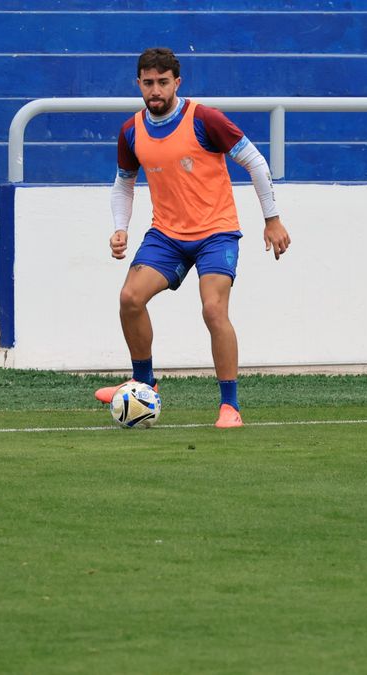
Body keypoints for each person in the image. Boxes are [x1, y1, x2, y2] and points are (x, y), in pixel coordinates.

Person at [93, 47, 290, 428]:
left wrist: (273, 219)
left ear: (176, 83)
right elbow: (123, 184)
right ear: (138, 83)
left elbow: (255, 161)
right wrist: (121, 227)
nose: (155, 90)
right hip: (167, 235)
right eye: (148, 82)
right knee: (130, 298)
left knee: (213, 310)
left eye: (162, 82)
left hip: (216, 232)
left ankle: (229, 405)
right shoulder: (132, 130)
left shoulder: (205, 119)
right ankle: (143, 383)